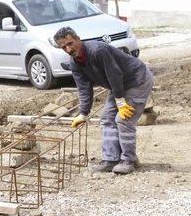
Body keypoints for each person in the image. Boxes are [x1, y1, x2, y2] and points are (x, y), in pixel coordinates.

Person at [54, 27, 153, 175]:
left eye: (70, 43)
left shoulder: (97, 51)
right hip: (119, 85)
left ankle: (128, 160)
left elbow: (115, 74)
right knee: (107, 118)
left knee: (123, 119)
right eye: (63, 47)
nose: (68, 49)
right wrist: (83, 113)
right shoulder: (75, 62)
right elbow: (84, 88)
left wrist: (120, 102)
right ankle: (111, 159)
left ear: (78, 39)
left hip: (136, 80)